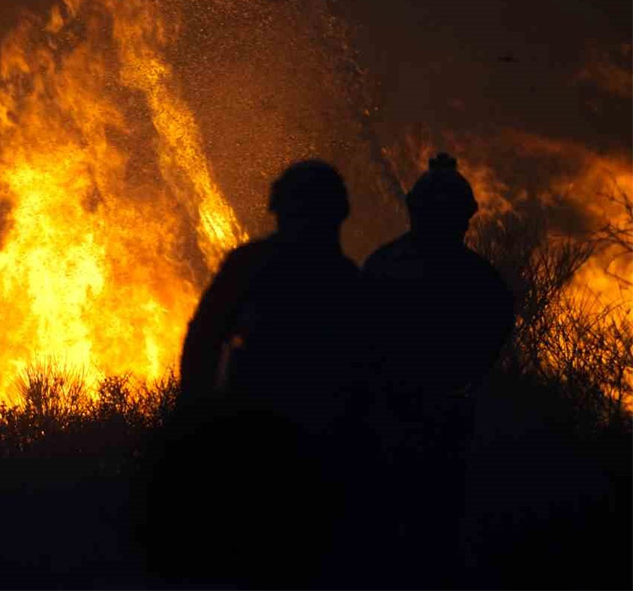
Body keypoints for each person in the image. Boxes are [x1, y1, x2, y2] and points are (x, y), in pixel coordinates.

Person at [148, 160, 365, 586]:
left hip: (280, 442)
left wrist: (192, 412)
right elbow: (205, 338)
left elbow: (204, 339)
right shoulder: (336, 276)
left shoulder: (267, 267)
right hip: (273, 440)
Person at [362, 152, 514, 586]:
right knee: (437, 527)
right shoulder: (479, 277)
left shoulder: (384, 264)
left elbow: (357, 330)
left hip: (398, 415)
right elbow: (497, 331)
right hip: (436, 414)